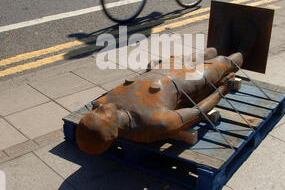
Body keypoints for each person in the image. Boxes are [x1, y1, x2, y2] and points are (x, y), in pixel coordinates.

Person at [75, 48, 244, 155]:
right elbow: (197, 112)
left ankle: (212, 54)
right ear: (112, 133)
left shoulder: (101, 103)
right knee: (228, 60)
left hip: (164, 68)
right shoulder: (153, 122)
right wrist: (223, 89)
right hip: (188, 80)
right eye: (99, 114)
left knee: (209, 51)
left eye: (94, 111)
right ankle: (243, 47)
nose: (99, 107)